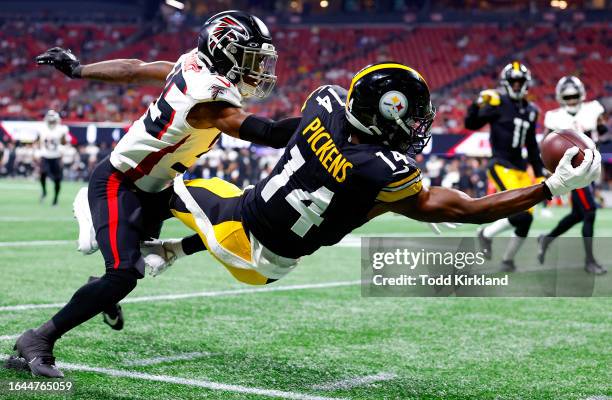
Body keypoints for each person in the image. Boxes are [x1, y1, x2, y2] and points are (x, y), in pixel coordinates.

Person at [9, 63, 595, 379]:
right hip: (261, 250)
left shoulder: (326, 104)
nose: (418, 125)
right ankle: (127, 257)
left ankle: (137, 250)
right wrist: (551, 187)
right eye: (412, 116)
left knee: (163, 187)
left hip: (245, 228)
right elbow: (466, 211)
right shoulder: (382, 170)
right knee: (159, 199)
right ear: (389, 118)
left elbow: (270, 130)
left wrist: (199, 99)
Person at [11, 10, 301, 378]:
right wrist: (328, 123)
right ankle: (38, 339)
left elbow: (135, 68)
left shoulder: (194, 64)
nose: (257, 68)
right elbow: (270, 133)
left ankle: (156, 259)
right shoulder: (208, 96)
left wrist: (78, 70)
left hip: (161, 187)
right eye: (249, 58)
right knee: (122, 276)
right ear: (222, 51)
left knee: (241, 214)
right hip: (121, 184)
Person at [465, 62, 545, 272]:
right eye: (513, 82)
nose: (517, 86)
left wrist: (539, 174)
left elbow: (532, 145)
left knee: (526, 219)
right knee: (520, 214)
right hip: (500, 164)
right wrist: (477, 103)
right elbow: (471, 124)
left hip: (520, 169)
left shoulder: (531, 110)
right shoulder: (498, 102)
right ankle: (485, 234)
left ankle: (508, 260)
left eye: (520, 82)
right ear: (506, 83)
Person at [538, 76, 608, 274]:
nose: (571, 101)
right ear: (561, 97)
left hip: (591, 167)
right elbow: (546, 145)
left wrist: (596, 136)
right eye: (567, 97)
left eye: (574, 96)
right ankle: (590, 261)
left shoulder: (593, 109)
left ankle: (546, 239)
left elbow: (603, 130)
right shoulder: (554, 116)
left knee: (578, 214)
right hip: (574, 172)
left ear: (581, 95)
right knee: (590, 212)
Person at [35, 110, 71, 205]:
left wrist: (63, 149)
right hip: (45, 155)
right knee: (42, 174)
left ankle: (55, 198)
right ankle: (44, 191)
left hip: (56, 157)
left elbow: (65, 143)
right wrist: (37, 151)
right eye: (50, 121)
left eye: (53, 121)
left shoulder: (62, 129)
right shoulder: (42, 128)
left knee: (57, 180)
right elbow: (38, 141)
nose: (51, 122)